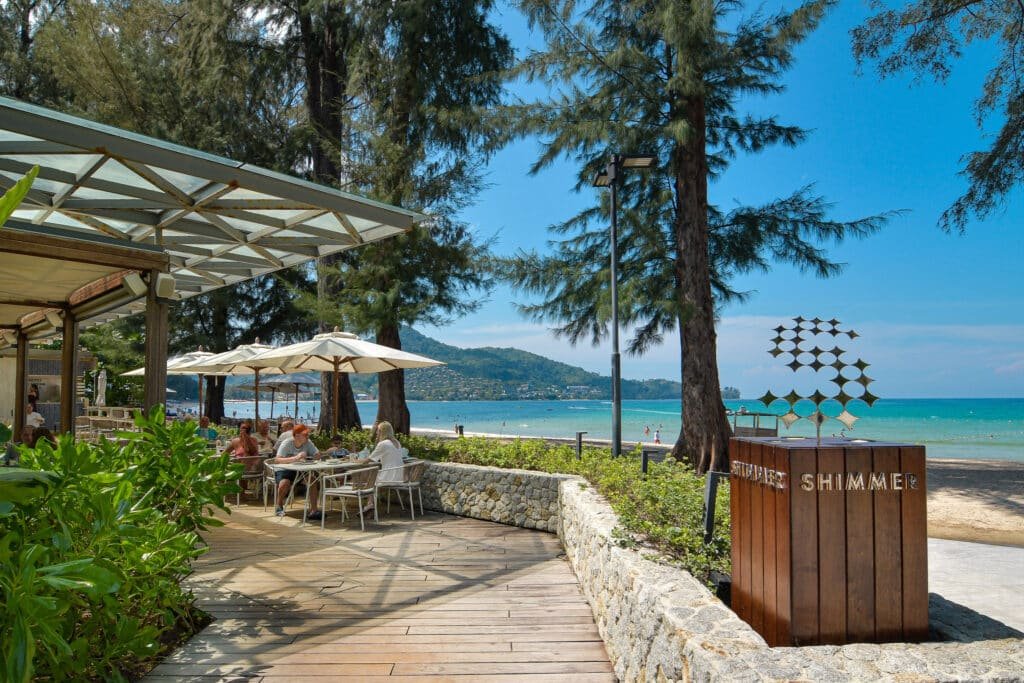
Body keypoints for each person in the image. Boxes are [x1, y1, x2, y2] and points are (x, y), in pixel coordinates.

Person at [273, 424, 322, 519]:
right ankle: (279, 506)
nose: (307, 436)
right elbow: (277, 460)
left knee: (312, 480)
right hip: (285, 469)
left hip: (300, 470)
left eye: (308, 434)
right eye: (305, 434)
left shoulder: (308, 442)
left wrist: (311, 457)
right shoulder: (287, 443)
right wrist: (296, 458)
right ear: (297, 435)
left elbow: (318, 455)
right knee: (285, 483)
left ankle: (314, 510)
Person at [368, 421, 405, 486]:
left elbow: (369, 459)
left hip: (389, 478)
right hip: (400, 478)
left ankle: (365, 493)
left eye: (378, 430)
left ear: (381, 431)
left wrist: (355, 461)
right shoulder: (397, 442)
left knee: (365, 476)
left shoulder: (383, 444)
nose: (376, 433)